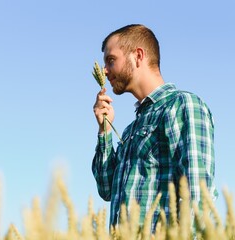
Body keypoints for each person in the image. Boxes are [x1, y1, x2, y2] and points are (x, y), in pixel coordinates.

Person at [92, 24, 218, 231]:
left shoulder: (182, 105)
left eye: (111, 60)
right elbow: (106, 189)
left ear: (138, 56)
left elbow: (198, 193)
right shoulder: (131, 129)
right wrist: (104, 130)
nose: (105, 71)